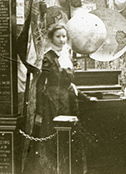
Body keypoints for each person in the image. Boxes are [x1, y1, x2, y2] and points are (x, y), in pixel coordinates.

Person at [30, 23, 93, 174]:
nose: (62, 39)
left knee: (71, 134)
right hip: (53, 101)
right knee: (54, 136)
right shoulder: (47, 57)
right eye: (58, 36)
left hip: (69, 99)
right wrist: (39, 111)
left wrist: (81, 95)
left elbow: (70, 82)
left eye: (64, 36)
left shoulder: (67, 55)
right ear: (51, 38)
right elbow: (39, 85)